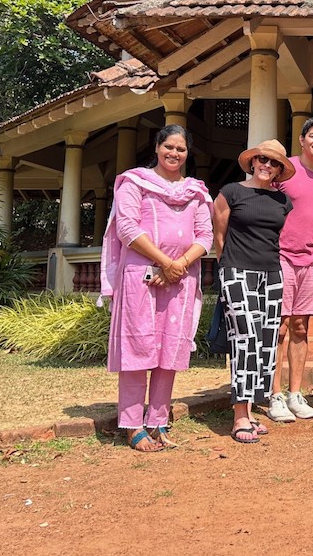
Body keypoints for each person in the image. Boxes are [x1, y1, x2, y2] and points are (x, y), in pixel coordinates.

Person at [100, 125, 213, 452]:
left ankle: (158, 420)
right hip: (140, 277)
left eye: (181, 149)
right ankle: (133, 424)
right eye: (169, 147)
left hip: (180, 279)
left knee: (169, 349)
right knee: (138, 348)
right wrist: (166, 262)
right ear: (157, 147)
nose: (174, 154)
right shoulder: (135, 183)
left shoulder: (196, 192)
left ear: (187, 153)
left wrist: (178, 265)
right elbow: (126, 228)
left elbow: (204, 236)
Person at [212, 139, 295, 443]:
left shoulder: (283, 201)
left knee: (266, 341)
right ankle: (238, 416)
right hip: (236, 271)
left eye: (273, 163)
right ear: (252, 162)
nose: (266, 165)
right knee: (244, 338)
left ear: (279, 170)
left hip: (271, 274)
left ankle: (251, 410)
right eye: (262, 159)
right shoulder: (231, 192)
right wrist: (227, 269)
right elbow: (218, 235)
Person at [267, 117, 313, 423]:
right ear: (301, 139)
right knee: (280, 327)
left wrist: (309, 243)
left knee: (301, 326)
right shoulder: (285, 170)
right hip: (281, 256)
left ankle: (295, 393)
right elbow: (268, 208)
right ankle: (274, 395)